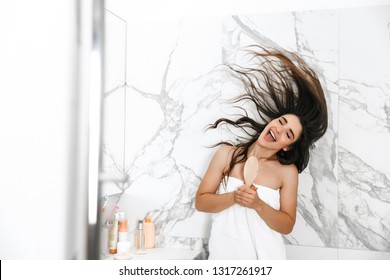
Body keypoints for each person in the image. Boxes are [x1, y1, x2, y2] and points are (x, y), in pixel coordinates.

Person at [195, 45, 328, 259]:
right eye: (281, 122)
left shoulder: (287, 172)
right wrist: (234, 197)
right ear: (272, 121)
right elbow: (201, 202)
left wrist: (258, 204)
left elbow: (287, 225)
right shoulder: (226, 154)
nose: (279, 129)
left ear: (288, 146)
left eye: (288, 134)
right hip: (224, 258)